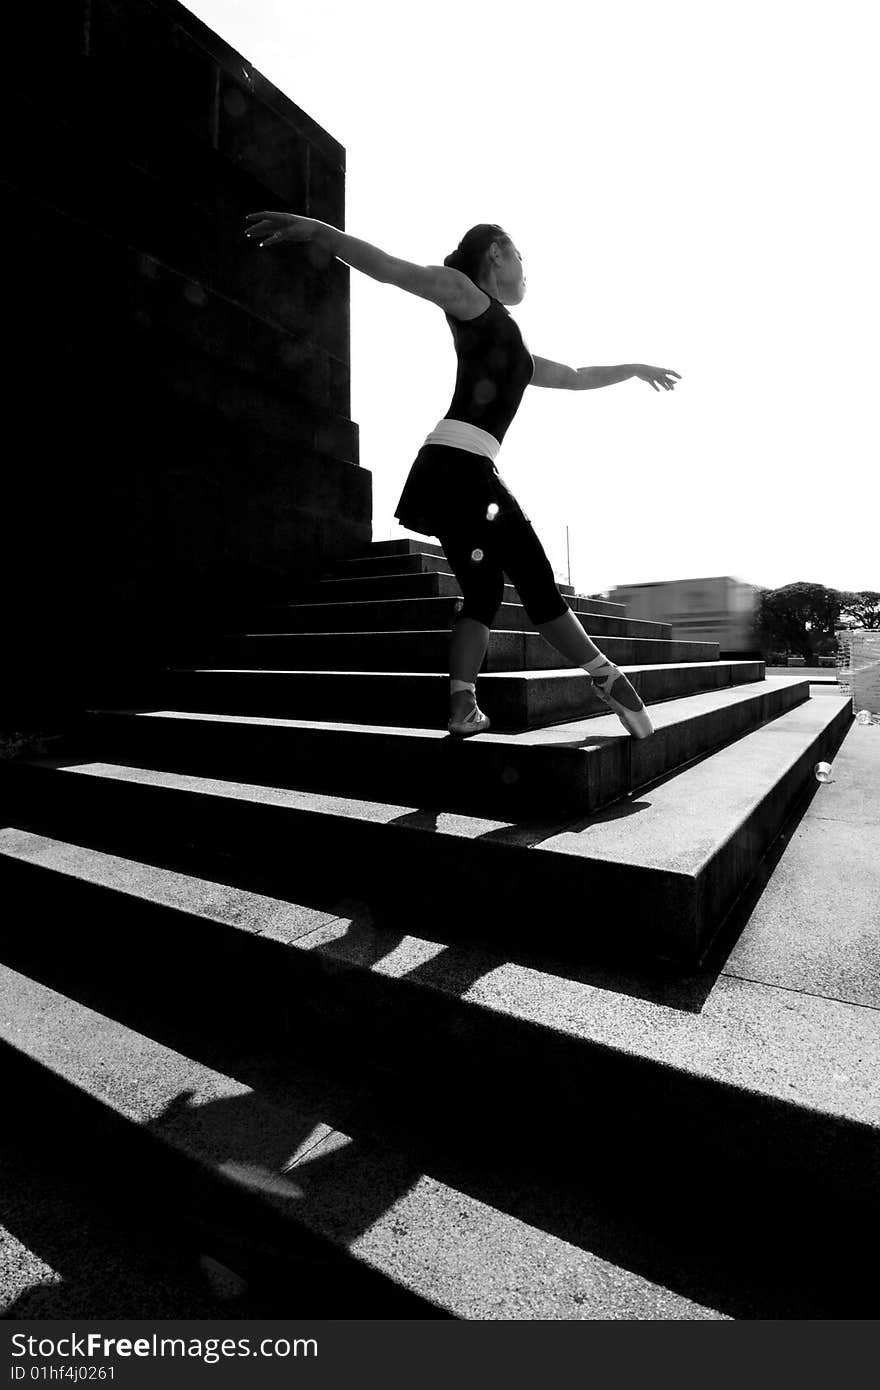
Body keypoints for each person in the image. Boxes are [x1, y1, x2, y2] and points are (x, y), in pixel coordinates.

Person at [244, 213, 680, 739]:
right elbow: (390, 268)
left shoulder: (514, 347)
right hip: (462, 466)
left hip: (449, 473)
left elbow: (576, 376)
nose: (525, 270)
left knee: (483, 592)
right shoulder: (468, 296)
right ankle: (606, 677)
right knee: (538, 585)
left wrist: (632, 368)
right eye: (519, 256)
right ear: (495, 252)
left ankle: (462, 706)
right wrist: (319, 231)